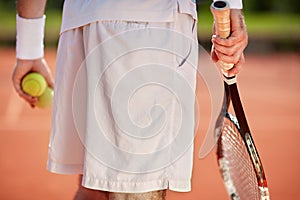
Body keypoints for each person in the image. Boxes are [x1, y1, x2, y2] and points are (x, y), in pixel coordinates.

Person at [12, 0, 248, 199]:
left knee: (93, 189)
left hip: (81, 22)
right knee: (134, 190)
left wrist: (29, 47)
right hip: (150, 26)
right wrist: (232, 6)